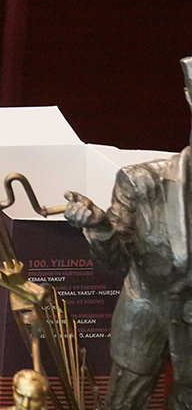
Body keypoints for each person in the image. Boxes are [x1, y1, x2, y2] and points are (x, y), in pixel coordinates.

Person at [62, 57, 192, 410]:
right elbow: (115, 260)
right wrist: (99, 226)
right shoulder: (142, 182)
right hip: (144, 317)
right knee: (124, 402)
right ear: (189, 96)